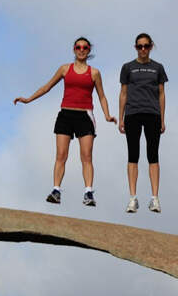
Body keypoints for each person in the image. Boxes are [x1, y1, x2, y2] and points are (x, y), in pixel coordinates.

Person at [14, 37, 116, 206]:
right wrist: (28, 99)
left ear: (89, 50)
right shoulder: (64, 69)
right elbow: (47, 87)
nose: (81, 50)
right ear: (74, 49)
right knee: (61, 155)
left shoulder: (94, 73)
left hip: (85, 116)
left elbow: (102, 96)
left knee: (86, 156)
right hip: (66, 115)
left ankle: (88, 193)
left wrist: (107, 115)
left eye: (85, 47)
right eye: (78, 47)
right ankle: (56, 190)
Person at [118, 33, 168, 213]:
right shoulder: (127, 67)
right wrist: (121, 116)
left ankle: (155, 198)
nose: (143, 49)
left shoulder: (158, 68)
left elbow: (161, 94)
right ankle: (133, 198)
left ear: (151, 46)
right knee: (133, 155)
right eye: (140, 46)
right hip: (132, 114)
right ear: (135, 48)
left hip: (153, 114)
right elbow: (123, 93)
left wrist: (163, 118)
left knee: (153, 155)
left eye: (146, 46)